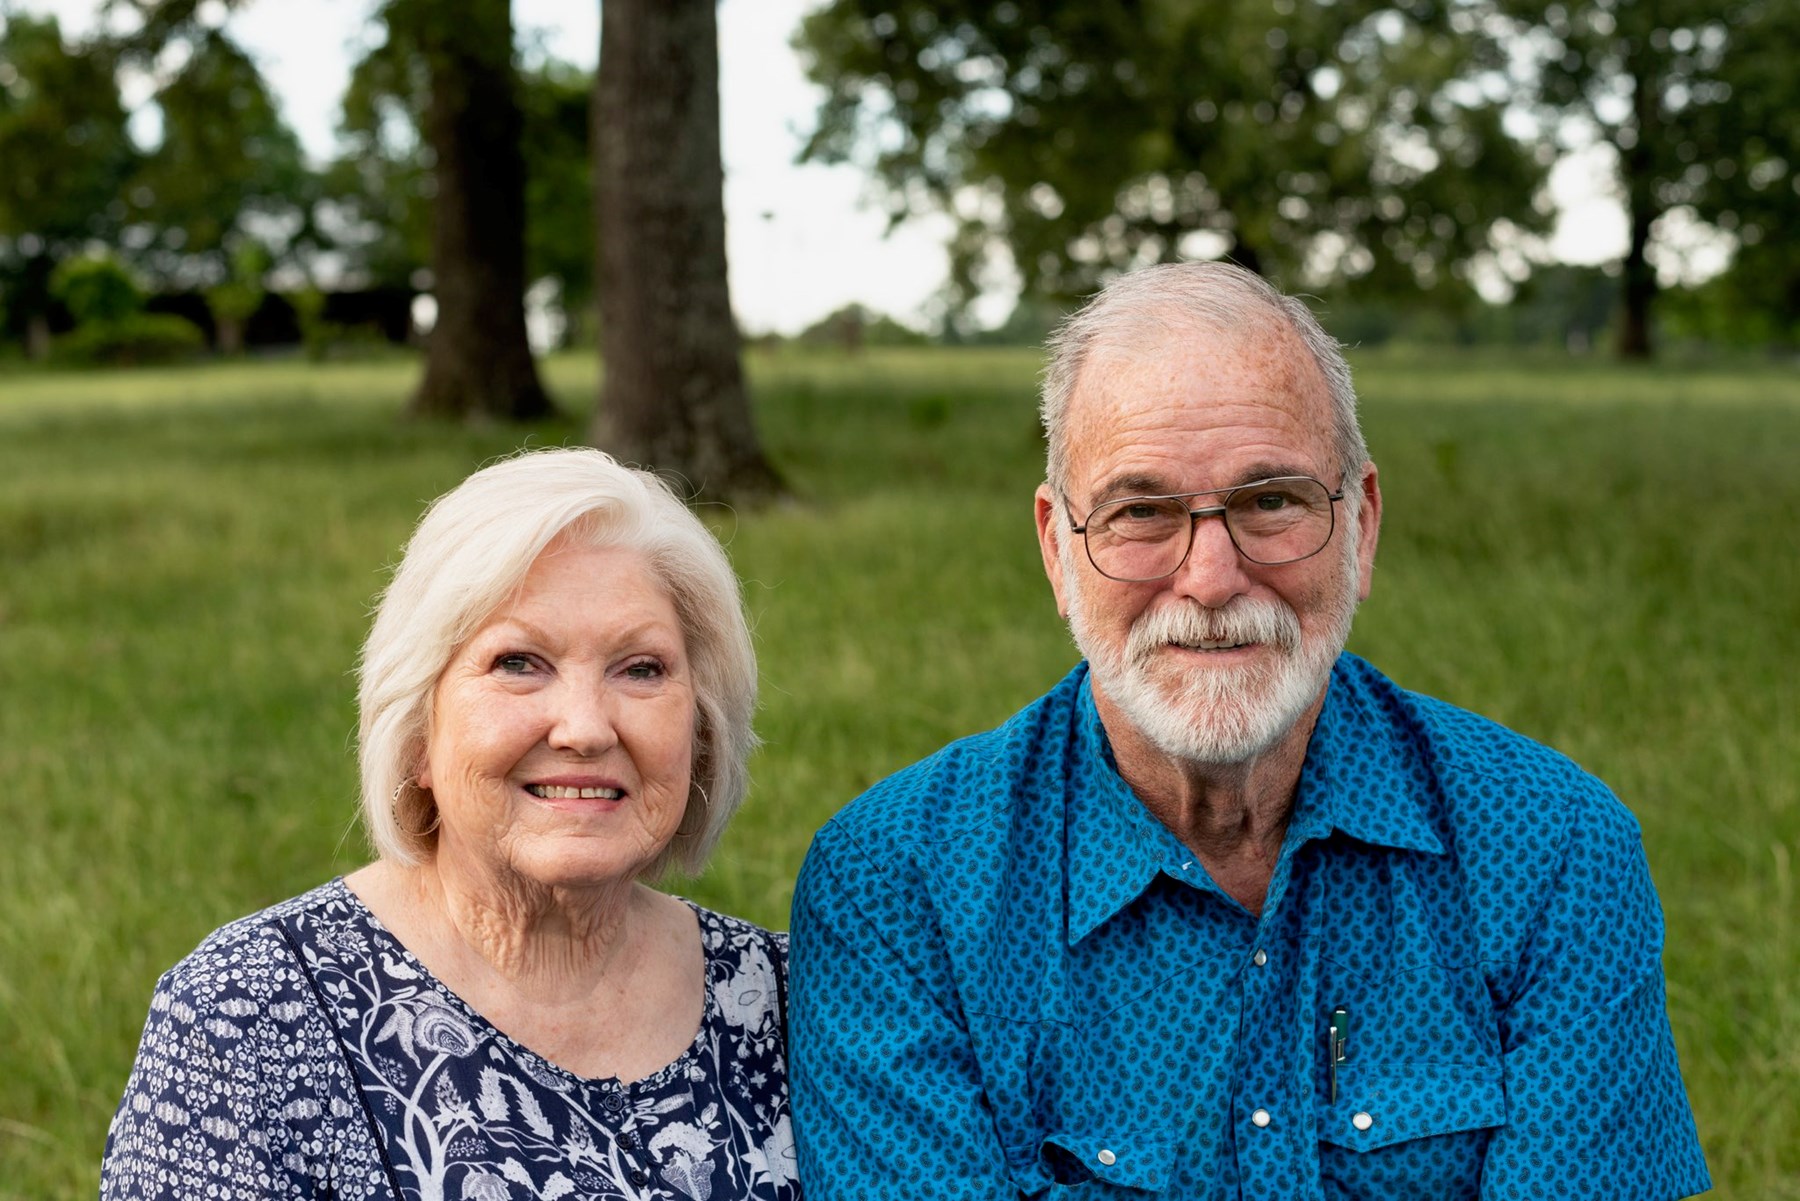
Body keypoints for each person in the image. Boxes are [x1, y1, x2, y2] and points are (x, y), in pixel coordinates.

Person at [788, 263, 1710, 1199]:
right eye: (1140, 511)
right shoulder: (895, 885)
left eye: (1270, 501)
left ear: (1362, 528)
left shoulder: (1551, 845)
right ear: (1058, 550)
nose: (1210, 578)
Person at [103, 448, 799, 1201]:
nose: (585, 728)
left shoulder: (795, 1000)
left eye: (641, 669)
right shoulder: (243, 1018)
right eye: (518, 663)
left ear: (701, 733)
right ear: (418, 731)